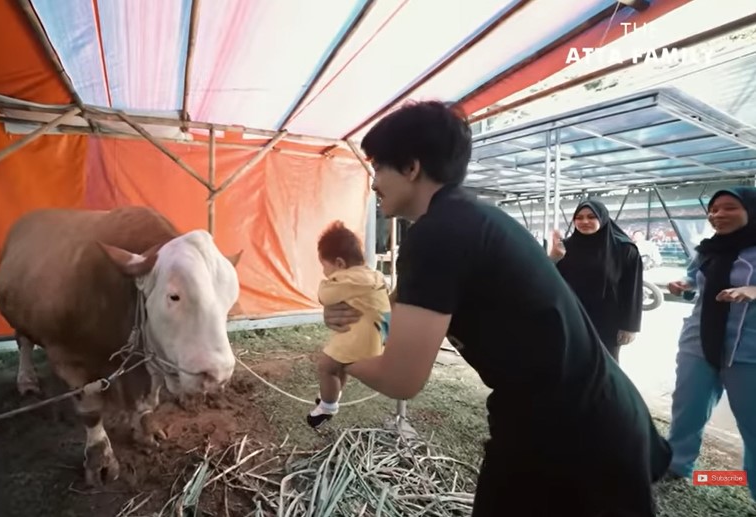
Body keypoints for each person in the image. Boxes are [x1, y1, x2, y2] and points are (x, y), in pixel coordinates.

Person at [323, 100, 672, 516]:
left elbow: (402, 380)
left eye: (379, 167)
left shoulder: (439, 234)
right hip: (576, 417)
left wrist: (335, 359)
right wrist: (359, 317)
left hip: (573, 433)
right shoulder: (467, 219)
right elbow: (394, 311)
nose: (374, 183)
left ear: (412, 167)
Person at [664, 187, 756, 502]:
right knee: (686, 409)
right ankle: (678, 466)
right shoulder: (708, 249)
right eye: (713, 211)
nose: (718, 215)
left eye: (729, 208)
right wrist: (684, 285)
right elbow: (694, 281)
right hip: (698, 343)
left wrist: (753, 291)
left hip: (748, 350)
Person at [307, 220, 391, 429]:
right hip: (378, 336)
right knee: (339, 367)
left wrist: (324, 287)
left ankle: (327, 407)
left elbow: (325, 295)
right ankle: (332, 395)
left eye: (324, 266)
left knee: (327, 367)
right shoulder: (373, 274)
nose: (325, 273)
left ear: (339, 263)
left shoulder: (346, 279)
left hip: (360, 340)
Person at [549, 200, 644, 362]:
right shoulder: (564, 248)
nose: (584, 221)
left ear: (602, 218)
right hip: (572, 318)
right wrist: (553, 259)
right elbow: (549, 283)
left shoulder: (625, 249)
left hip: (607, 322)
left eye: (591, 217)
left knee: (605, 366)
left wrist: (630, 326)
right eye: (579, 217)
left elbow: (633, 289)